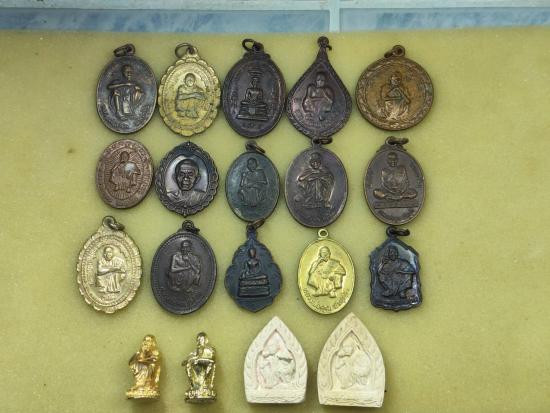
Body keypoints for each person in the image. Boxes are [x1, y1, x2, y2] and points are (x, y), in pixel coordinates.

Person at [184, 332, 216, 400]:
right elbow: (186, 360)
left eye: (201, 339)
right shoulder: (196, 351)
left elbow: (212, 361)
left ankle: (205, 385)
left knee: (210, 366)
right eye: (198, 340)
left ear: (206, 340)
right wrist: (189, 360)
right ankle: (193, 386)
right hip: (196, 368)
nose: (199, 341)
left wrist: (199, 360)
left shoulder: (210, 350)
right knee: (188, 366)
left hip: (206, 367)